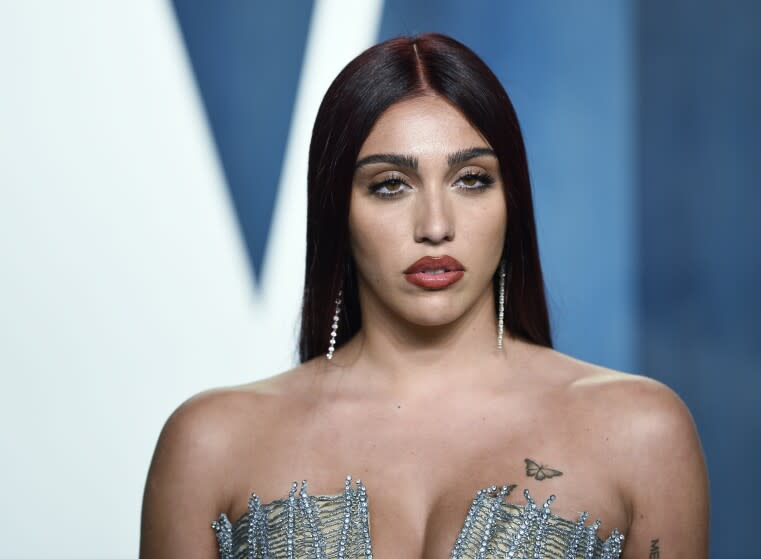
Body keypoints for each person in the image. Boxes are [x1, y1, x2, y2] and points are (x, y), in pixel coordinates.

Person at [140, 32, 709, 559]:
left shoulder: (641, 432)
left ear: (512, 202)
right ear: (339, 210)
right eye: (390, 185)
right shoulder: (211, 443)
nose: (436, 225)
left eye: (472, 180)